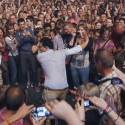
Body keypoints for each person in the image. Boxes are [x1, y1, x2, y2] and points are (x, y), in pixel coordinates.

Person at [37, 30, 89, 102]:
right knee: (62, 111)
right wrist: (87, 39)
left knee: (50, 111)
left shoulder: (40, 56)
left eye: (40, 46)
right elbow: (77, 49)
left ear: (46, 47)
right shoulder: (62, 52)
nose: (38, 48)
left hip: (50, 91)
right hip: (63, 90)